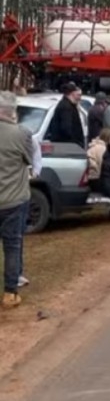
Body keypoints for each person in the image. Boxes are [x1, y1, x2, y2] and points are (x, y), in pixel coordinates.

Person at [0, 92, 32, 309]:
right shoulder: (21, 133)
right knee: (12, 246)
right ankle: (10, 292)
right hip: (13, 199)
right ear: (12, 112)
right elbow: (29, 159)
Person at [50, 82, 85, 148]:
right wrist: (75, 142)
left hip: (67, 144)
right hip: (67, 145)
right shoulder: (66, 107)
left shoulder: (68, 105)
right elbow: (66, 128)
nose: (80, 98)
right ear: (72, 94)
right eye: (77, 95)